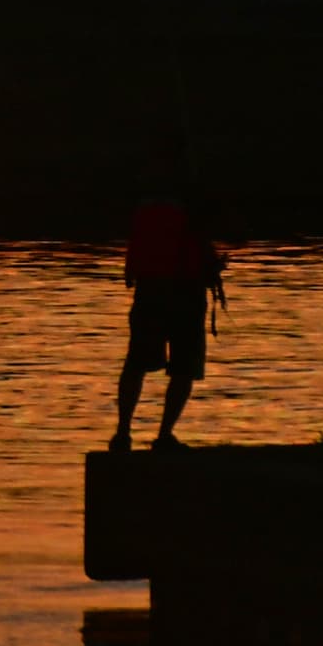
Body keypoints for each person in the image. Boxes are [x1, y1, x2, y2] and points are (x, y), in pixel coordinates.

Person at [112, 155, 228, 450]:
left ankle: (122, 433)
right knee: (184, 367)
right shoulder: (192, 211)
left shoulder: (144, 210)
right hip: (185, 293)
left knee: (136, 364)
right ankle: (164, 436)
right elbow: (202, 251)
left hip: (149, 290)